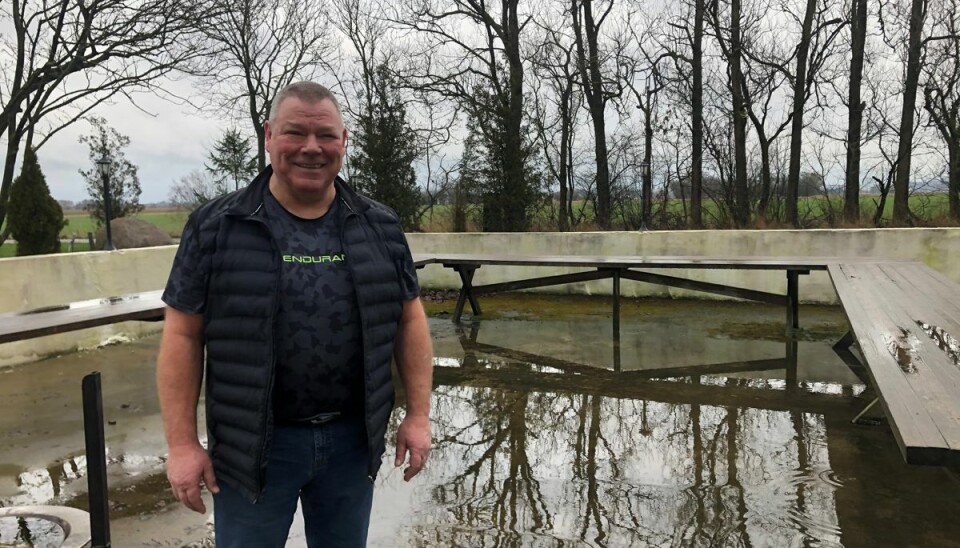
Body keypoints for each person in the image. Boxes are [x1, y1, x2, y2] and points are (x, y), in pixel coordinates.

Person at [156, 81, 433, 547]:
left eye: (325, 135)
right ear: (268, 135)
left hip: (351, 444)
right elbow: (182, 336)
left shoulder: (379, 225)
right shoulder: (217, 226)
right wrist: (182, 445)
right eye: (294, 133)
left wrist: (419, 416)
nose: (311, 148)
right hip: (254, 450)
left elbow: (410, 320)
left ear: (344, 141)